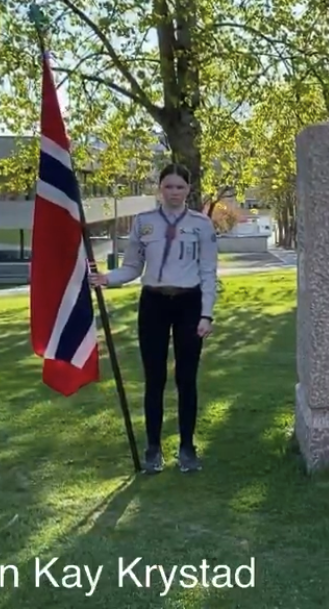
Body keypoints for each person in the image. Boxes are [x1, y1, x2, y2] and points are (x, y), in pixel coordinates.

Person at [90, 163, 218, 475]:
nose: (174, 192)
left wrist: (206, 314)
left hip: (189, 303)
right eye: (168, 186)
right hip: (153, 304)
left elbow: (208, 272)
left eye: (180, 187)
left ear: (188, 189)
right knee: (154, 379)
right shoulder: (143, 222)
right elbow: (132, 267)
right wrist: (107, 278)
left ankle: (187, 449)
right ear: (160, 189)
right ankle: (153, 449)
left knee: (186, 379)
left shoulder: (201, 225)